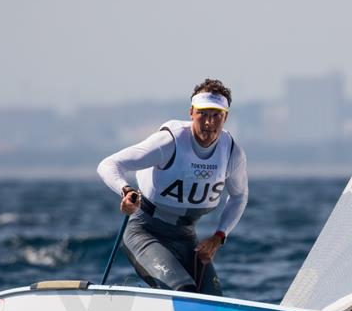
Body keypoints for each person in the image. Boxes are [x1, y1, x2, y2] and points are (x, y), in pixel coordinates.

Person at [97, 78, 248, 296]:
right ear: (191, 112)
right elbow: (109, 164)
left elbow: (239, 196)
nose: (209, 123)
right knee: (182, 291)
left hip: (186, 238)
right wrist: (126, 190)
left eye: (216, 115)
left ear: (226, 117)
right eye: (203, 114)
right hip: (144, 232)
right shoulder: (169, 142)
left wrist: (218, 237)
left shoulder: (232, 153)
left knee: (213, 298)